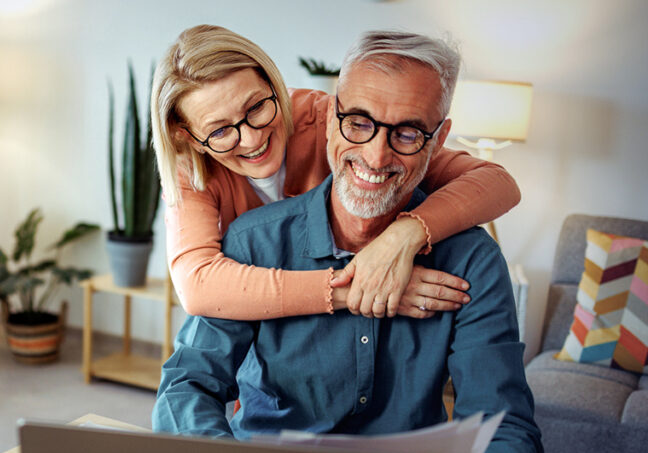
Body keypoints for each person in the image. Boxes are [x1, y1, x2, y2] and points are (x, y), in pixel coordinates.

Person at [153, 30, 542, 453]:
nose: (378, 157)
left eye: (406, 133)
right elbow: (186, 383)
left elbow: (505, 425)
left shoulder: (473, 263)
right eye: (359, 123)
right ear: (334, 118)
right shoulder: (248, 238)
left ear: (438, 139)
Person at [152, 25, 521, 321]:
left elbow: (497, 182)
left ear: (274, 84)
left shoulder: (339, 124)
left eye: (258, 107)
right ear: (191, 138)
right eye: (219, 131)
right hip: (259, 337)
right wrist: (356, 289)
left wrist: (405, 235)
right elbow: (198, 286)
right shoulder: (192, 169)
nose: (252, 138)